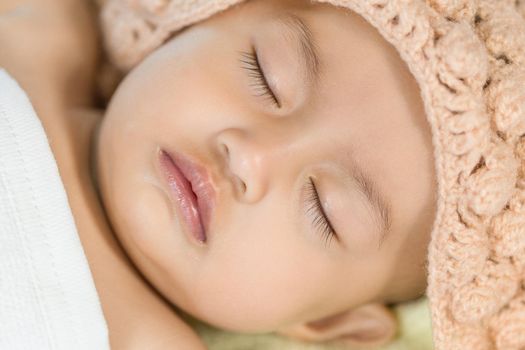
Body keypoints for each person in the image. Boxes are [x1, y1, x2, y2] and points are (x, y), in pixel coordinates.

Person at [1, 0, 524, 349]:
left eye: (324, 210)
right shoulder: (42, 26)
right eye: (263, 75)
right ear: (200, 18)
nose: (249, 158)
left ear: (330, 324)